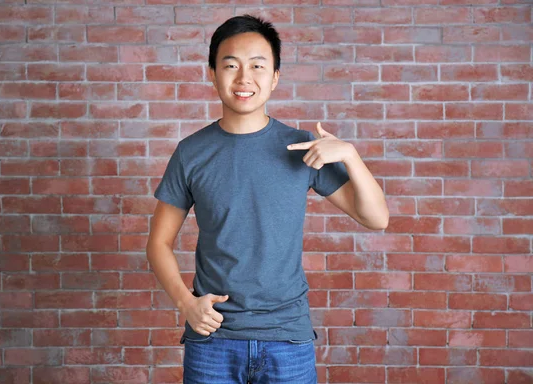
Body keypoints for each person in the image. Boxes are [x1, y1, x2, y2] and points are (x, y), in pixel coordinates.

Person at [146, 15, 389, 384]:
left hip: (287, 340)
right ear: (212, 73)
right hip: (213, 341)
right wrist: (186, 303)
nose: (244, 78)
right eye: (231, 65)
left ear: (275, 77)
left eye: (258, 66)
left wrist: (351, 155)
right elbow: (159, 243)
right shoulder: (190, 153)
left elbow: (376, 218)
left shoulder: (302, 147)